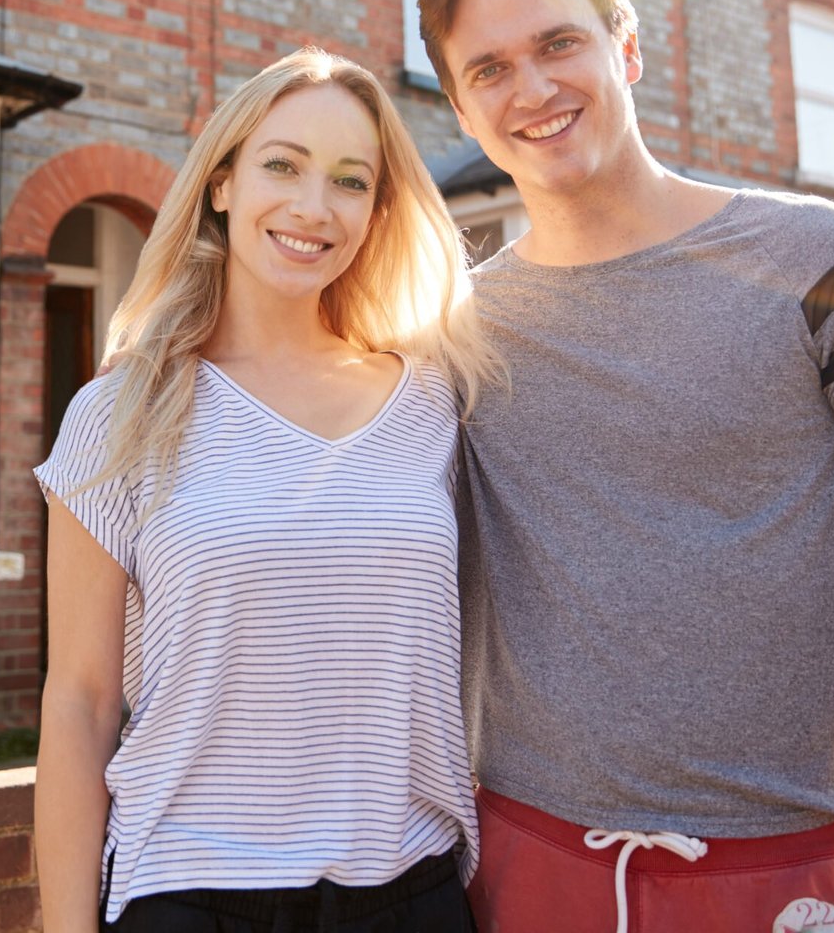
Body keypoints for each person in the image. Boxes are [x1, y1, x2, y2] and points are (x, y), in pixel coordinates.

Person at [416, 0, 834, 933]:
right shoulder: (449, 338)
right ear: (463, 111)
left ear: (628, 46)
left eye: (559, 43)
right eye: (490, 69)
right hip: (526, 875)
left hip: (798, 883)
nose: (533, 88)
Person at [34, 48, 500, 932]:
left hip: (410, 890)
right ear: (221, 185)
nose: (312, 207)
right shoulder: (121, 411)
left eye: (349, 181)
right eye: (282, 165)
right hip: (191, 891)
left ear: (376, 211)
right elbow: (81, 702)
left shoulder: (439, 400)